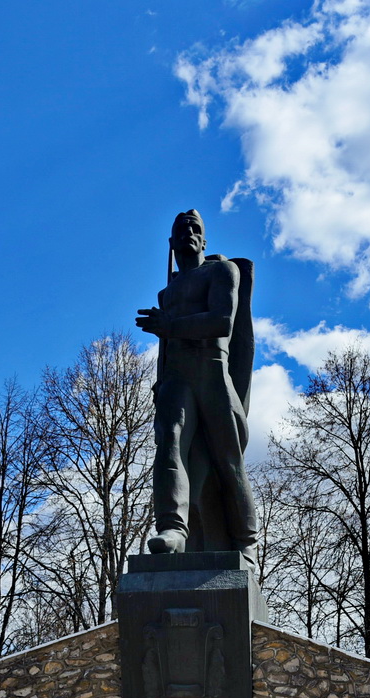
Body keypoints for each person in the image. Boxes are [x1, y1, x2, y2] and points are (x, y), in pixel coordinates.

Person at [135, 209, 258, 565]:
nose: (188, 232)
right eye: (181, 229)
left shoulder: (222, 271)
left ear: (204, 240)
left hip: (212, 371)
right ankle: (173, 528)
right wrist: (160, 380)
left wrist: (171, 326)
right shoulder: (166, 293)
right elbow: (166, 346)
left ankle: (245, 542)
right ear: (171, 243)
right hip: (177, 376)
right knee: (169, 440)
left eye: (195, 228)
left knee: (227, 461)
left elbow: (222, 322)